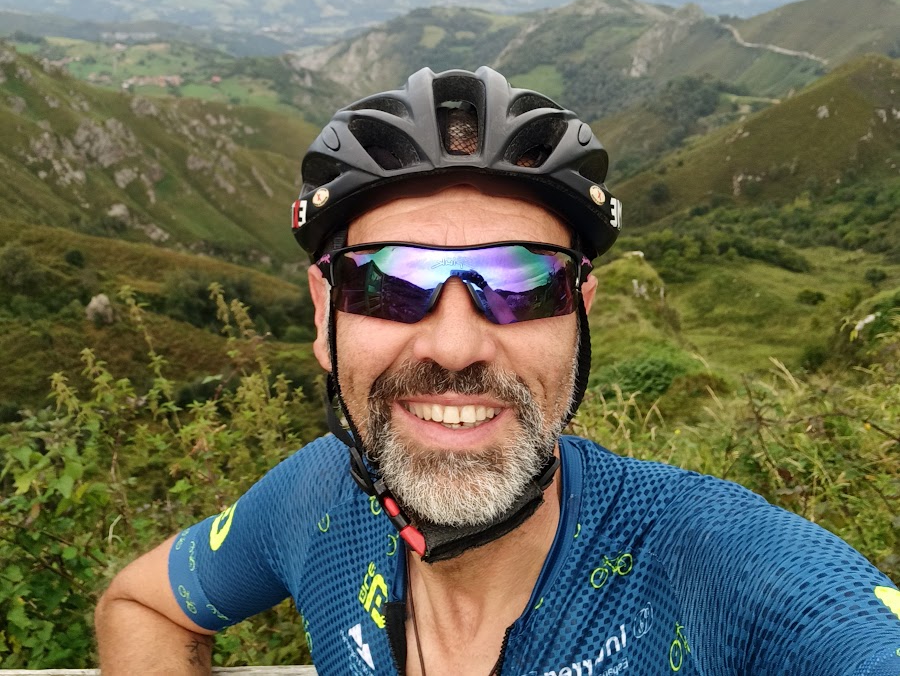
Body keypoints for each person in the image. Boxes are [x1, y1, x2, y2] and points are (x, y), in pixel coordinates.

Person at [95, 66, 900, 675]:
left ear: (580, 316)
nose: (454, 346)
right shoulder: (315, 501)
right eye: (388, 282)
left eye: (524, 283)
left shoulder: (727, 567)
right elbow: (142, 604)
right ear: (323, 315)